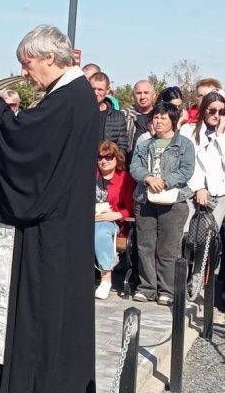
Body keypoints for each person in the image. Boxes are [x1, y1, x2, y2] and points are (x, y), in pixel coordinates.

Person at [0, 25, 99, 392]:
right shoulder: (74, 95)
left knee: (41, 310)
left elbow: (23, 143)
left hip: (49, 231)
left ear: (49, 58)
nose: (25, 73)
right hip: (65, 222)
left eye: (27, 64)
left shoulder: (68, 98)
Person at [130, 102, 195, 305]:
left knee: (168, 248)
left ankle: (167, 289)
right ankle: (146, 288)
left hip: (173, 201)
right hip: (145, 199)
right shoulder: (144, 144)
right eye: (155, 117)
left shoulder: (185, 144)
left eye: (163, 118)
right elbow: (135, 167)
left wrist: (165, 181)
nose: (158, 122)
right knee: (145, 246)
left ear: (173, 121)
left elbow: (186, 170)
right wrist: (148, 178)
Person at [93, 141, 136, 300]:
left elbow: (131, 208)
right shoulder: (90, 175)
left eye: (109, 157)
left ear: (116, 158)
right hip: (88, 219)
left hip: (113, 222)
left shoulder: (125, 178)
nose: (103, 161)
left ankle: (106, 279)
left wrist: (116, 215)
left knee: (100, 232)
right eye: (100, 157)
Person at [181, 90, 225, 231]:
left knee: (209, 237)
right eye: (212, 111)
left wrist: (220, 135)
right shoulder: (188, 130)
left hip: (218, 194)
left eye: (222, 112)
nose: (217, 115)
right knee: (186, 234)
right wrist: (198, 187)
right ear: (203, 109)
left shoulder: (223, 135)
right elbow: (186, 162)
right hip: (191, 192)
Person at [89, 72, 129, 156]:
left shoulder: (118, 117)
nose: (96, 93)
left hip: (108, 162)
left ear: (107, 90)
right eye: (93, 89)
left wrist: (113, 160)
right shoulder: (79, 114)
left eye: (100, 89)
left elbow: (123, 145)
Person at [126, 80, 156, 149]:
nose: (142, 97)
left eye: (146, 93)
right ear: (133, 96)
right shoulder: (124, 116)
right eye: (139, 93)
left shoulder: (161, 117)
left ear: (154, 95)